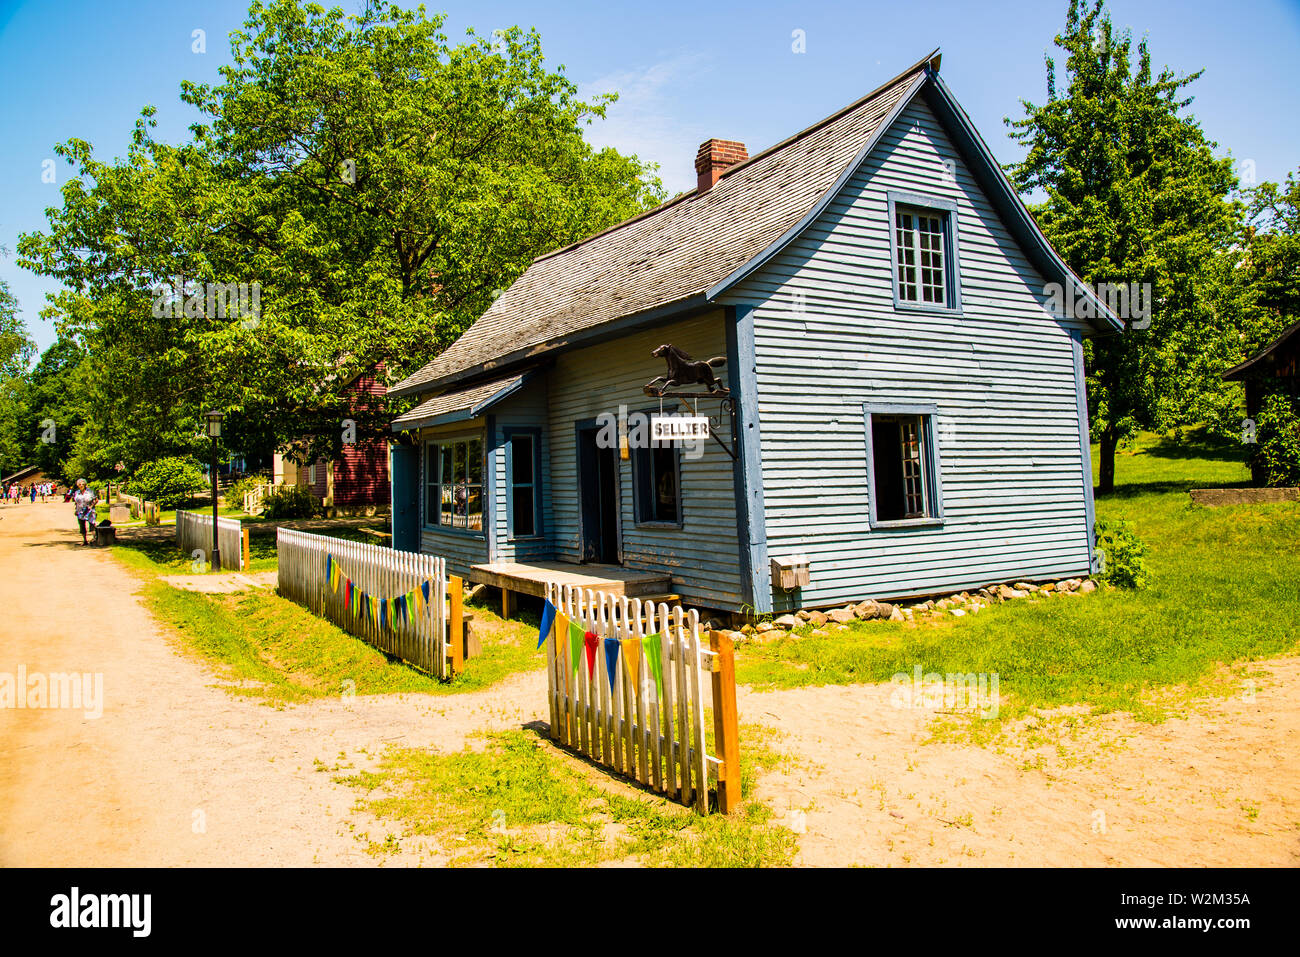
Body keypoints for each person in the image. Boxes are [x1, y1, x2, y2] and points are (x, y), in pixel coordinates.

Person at [72, 479, 98, 546]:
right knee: (82, 526)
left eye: (82, 484)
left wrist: (91, 506)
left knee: (92, 524)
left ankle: (95, 539)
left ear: (85, 485)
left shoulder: (90, 492)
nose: (81, 486)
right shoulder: (77, 492)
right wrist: (76, 510)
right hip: (80, 510)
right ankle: (85, 540)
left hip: (89, 510)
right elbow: (76, 502)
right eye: (79, 484)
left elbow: (96, 500)